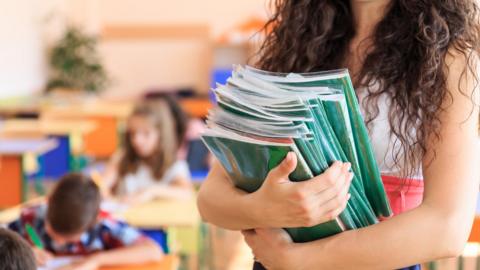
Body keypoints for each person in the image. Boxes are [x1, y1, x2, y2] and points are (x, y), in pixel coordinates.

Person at [197, 0, 480, 269]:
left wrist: (299, 261)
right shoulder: (293, 45)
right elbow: (210, 199)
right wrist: (264, 208)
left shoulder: (449, 55)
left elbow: (448, 227)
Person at [8, 173, 163, 269]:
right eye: (52, 231)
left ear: (92, 222)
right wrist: (25, 252)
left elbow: (153, 251)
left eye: (68, 238)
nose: (59, 242)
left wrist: (96, 261)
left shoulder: (103, 226)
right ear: (48, 203)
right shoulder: (32, 217)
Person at [103, 99, 193, 204]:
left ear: (161, 134)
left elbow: (186, 193)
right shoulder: (122, 157)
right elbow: (103, 184)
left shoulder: (175, 164)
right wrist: (103, 192)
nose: (137, 140)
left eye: (146, 133)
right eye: (132, 133)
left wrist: (151, 192)